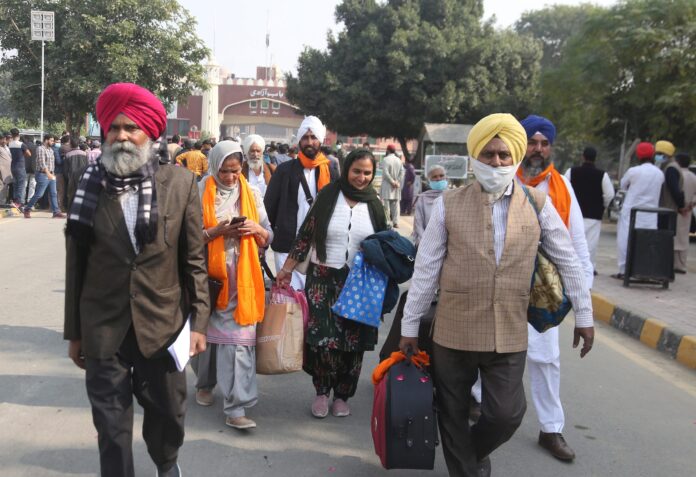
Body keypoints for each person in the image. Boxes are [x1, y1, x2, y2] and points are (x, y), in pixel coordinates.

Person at [399, 113, 594, 477]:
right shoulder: (449, 204)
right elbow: (425, 270)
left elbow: (569, 261)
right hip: (454, 330)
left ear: (515, 157)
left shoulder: (538, 203)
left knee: (506, 414)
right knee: (453, 410)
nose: (497, 162)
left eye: (505, 155)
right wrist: (409, 326)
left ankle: (468, 454)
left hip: (508, 332)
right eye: (489, 154)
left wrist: (585, 316)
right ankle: (468, 469)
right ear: (475, 157)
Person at [64, 83, 209, 477]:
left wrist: (198, 322)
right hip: (103, 324)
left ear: (150, 133)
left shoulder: (178, 184)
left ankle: (166, 464)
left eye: (132, 128)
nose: (123, 136)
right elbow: (76, 265)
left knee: (168, 414)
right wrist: (74, 332)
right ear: (104, 132)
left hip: (162, 324)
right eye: (114, 128)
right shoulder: (88, 186)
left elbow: (194, 258)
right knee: (110, 426)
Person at [276, 148, 387, 418]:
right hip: (323, 280)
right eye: (357, 171)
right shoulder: (328, 196)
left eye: (367, 172)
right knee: (323, 341)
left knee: (353, 343)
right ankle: (322, 392)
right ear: (347, 169)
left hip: (360, 282)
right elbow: (306, 235)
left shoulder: (374, 203)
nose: (361, 177)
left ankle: (343, 395)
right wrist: (287, 269)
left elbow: (384, 241)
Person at [516, 114, 593, 462]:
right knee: (487, 352)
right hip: (500, 284)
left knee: (546, 358)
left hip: (544, 291)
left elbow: (577, 244)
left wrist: (582, 302)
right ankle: (479, 406)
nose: (538, 149)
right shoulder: (503, 178)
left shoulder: (562, 186)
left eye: (544, 143)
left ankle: (551, 429)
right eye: (532, 142)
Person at [196, 140, 272, 428]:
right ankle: (204, 383)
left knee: (239, 343)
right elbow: (188, 236)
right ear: (214, 166)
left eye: (235, 170)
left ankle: (236, 408)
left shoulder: (251, 192)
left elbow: (269, 235)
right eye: (224, 171)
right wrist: (218, 231)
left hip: (244, 278)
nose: (230, 177)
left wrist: (257, 230)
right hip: (208, 276)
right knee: (205, 335)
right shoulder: (201, 190)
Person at [264, 116, 340, 290]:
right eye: (305, 138)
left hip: (318, 249)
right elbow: (269, 208)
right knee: (291, 303)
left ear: (320, 140)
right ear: (299, 140)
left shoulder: (330, 170)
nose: (309, 142)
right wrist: (263, 244)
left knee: (314, 300)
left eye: (313, 137)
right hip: (286, 246)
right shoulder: (284, 170)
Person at [614, 142, 665, 279]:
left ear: (638, 156)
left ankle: (624, 270)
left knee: (625, 240)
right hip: (650, 213)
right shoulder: (659, 174)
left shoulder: (634, 171)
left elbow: (623, 185)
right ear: (652, 155)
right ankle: (644, 270)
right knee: (647, 241)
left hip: (631, 211)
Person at [564, 146, 615, 273]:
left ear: (583, 156)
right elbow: (609, 194)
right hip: (594, 215)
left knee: (572, 241)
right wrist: (603, 206)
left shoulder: (571, 172)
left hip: (573, 214)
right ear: (595, 158)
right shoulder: (602, 175)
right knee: (590, 244)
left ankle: (570, 266)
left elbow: (563, 189)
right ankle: (588, 269)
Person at [22, 134, 65, 218]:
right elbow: (42, 163)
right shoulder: (40, 149)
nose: (53, 142)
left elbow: (52, 163)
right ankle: (27, 209)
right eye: (51, 140)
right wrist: (48, 174)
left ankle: (56, 212)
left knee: (53, 193)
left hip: (51, 174)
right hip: (43, 174)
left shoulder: (50, 150)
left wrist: (52, 174)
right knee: (39, 194)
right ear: (46, 140)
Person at [671, 153, 696, 273]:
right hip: (687, 212)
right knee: (684, 237)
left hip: (676, 210)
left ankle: (671, 263)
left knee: (673, 236)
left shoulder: (676, 175)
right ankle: (681, 265)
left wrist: (681, 207)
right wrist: (689, 206)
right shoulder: (693, 176)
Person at [411, 164, 447, 247]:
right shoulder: (422, 198)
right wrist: (426, 242)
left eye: (441, 176)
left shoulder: (452, 196)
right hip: (425, 242)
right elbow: (418, 223)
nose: (438, 179)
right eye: (434, 177)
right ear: (429, 180)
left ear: (446, 177)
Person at [380, 144, 404, 228]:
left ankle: (387, 222)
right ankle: (396, 222)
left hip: (387, 185)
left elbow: (385, 173)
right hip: (396, 186)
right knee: (396, 205)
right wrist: (396, 182)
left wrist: (392, 182)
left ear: (387, 150)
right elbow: (402, 172)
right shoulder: (399, 160)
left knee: (386, 205)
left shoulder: (385, 159)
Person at [63, 138, 90, 207]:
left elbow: (65, 170)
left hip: (71, 177)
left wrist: (67, 178)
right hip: (83, 177)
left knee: (72, 194)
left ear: (71, 144)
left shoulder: (68, 155)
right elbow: (87, 166)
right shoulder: (85, 153)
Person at [8, 128, 30, 209]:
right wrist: (22, 155)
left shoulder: (10, 144)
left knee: (15, 184)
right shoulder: (21, 144)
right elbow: (29, 154)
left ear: (12, 135)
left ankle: (14, 201)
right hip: (20, 166)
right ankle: (19, 203)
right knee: (21, 185)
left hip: (13, 166)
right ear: (19, 135)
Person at [0, 133, 12, 206]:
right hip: (1, 171)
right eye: (3, 139)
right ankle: (1, 203)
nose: (5, 141)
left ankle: (2, 202)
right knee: (2, 187)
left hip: (6, 172)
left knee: (4, 187)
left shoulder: (4, 147)